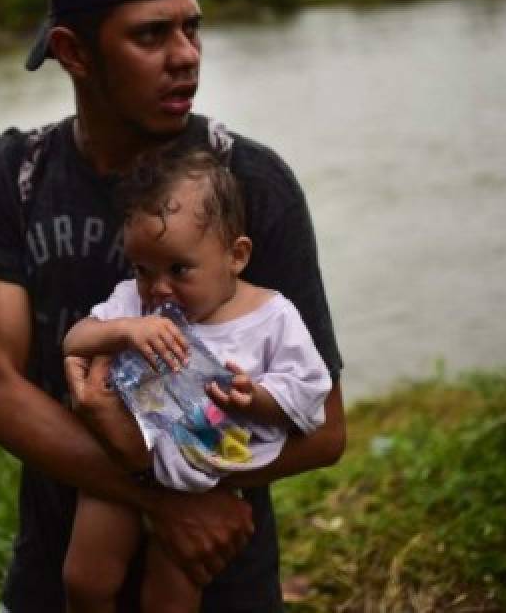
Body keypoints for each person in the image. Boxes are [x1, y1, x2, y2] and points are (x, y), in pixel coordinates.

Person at [0, 0, 346, 613]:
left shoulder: (248, 185)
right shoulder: (17, 175)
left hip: (219, 577)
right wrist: (162, 496)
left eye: (192, 27)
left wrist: (186, 485)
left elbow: (325, 430)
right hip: (60, 576)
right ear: (74, 52)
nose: (186, 55)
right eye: (151, 34)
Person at [61, 148, 332, 613]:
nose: (159, 288)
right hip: (123, 462)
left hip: (203, 481)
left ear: (236, 255)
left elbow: (310, 393)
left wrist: (259, 398)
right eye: (143, 269)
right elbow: (75, 340)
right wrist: (124, 329)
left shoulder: (270, 316)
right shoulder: (134, 305)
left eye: (179, 270)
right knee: (85, 580)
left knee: (172, 600)